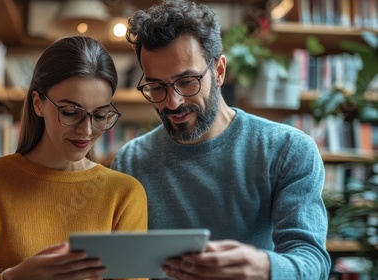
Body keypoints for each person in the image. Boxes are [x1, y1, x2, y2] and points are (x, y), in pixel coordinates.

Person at [111, 0, 331, 279]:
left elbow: (313, 262)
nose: (173, 102)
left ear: (219, 71)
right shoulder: (131, 160)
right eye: (156, 87)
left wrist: (263, 266)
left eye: (187, 81)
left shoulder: (287, 149)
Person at [0, 36, 148, 280]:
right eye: (70, 112)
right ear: (38, 104)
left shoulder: (125, 193)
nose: (86, 130)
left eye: (100, 115)